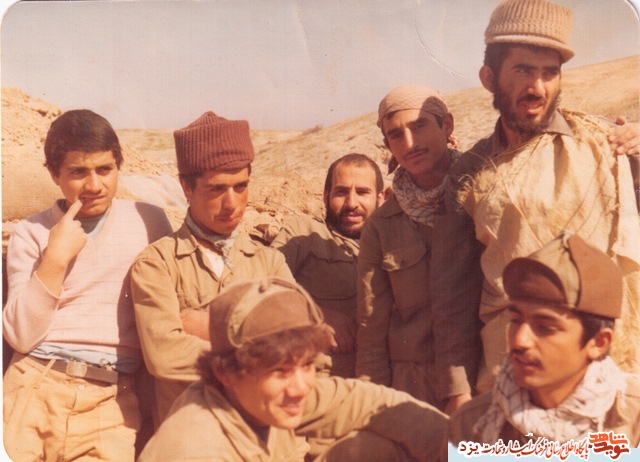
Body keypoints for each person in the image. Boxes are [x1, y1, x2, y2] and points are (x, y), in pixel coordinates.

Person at [431, 0, 640, 414]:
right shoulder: (468, 174)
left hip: (611, 365)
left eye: (550, 72)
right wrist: (458, 390)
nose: (538, 87)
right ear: (489, 78)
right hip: (512, 372)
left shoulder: (605, 144)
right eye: (523, 71)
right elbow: (453, 294)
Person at [2, 109, 172, 461]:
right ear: (54, 174)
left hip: (110, 403)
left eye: (104, 170)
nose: (94, 186)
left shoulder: (149, 221)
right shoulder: (31, 232)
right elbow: (20, 335)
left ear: (118, 166)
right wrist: (54, 259)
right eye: (78, 172)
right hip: (34, 386)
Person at [138, 277, 449, 461]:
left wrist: (472, 454)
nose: (301, 388)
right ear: (226, 373)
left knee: (376, 447)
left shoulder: (255, 398)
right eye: (280, 371)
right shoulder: (195, 450)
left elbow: (378, 405)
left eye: (307, 365)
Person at [130, 111, 293, 427]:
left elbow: (296, 346)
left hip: (258, 438)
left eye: (240, 187)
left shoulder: (270, 262)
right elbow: (165, 355)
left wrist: (215, 329)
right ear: (186, 188)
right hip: (188, 435)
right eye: (217, 189)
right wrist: (261, 349)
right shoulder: (157, 263)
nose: (232, 203)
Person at [448, 232, 640, 448]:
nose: (520, 340)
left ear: (598, 342)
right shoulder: (473, 424)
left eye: (545, 328)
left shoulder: (633, 422)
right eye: (516, 320)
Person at [356, 84, 468, 412]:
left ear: (447, 125)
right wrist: (374, 408)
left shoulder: (482, 194)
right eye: (396, 135)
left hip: (484, 375)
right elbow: (372, 329)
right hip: (417, 388)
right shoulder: (381, 226)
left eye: (419, 126)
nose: (409, 144)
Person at [271, 153, 384, 378]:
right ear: (325, 196)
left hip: (381, 377)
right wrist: (315, 315)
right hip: (321, 377)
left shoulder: (393, 242)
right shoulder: (302, 233)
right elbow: (263, 288)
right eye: (341, 192)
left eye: (362, 192)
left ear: (380, 198)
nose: (352, 203)